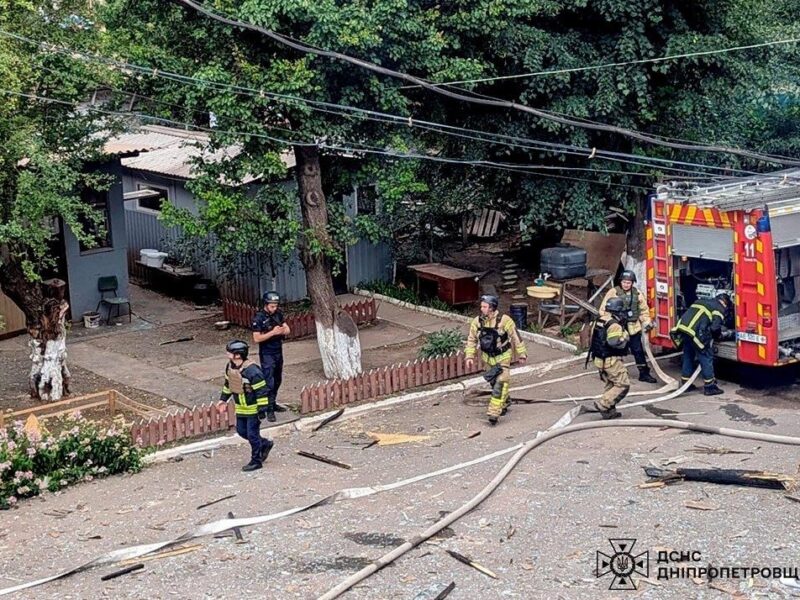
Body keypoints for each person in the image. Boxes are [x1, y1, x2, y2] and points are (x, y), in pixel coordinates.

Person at [465, 294, 527, 425]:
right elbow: (471, 339)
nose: (482, 309)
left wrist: (522, 353)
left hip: (503, 358)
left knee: (500, 384)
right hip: (488, 359)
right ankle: (505, 401)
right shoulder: (477, 322)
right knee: (494, 384)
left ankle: (494, 413)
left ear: (492, 307)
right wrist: (469, 356)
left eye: (485, 306)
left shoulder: (504, 320)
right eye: (481, 306)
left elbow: (516, 336)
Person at [218, 340, 274, 472]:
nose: (227, 353)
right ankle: (265, 444)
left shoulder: (253, 371)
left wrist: (262, 410)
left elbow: (262, 391)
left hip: (252, 409)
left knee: (252, 435)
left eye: (230, 352)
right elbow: (228, 385)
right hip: (240, 407)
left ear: (238, 355)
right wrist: (223, 400)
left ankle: (256, 461)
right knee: (242, 431)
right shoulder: (230, 367)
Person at [599, 270, 657, 384]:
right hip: (618, 328)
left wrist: (646, 322)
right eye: (624, 282)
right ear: (621, 282)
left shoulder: (637, 294)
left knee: (638, 351)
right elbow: (603, 310)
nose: (626, 284)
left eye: (628, 282)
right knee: (613, 350)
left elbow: (644, 311)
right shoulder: (613, 292)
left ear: (632, 283)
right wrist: (611, 323)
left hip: (633, 327)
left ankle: (644, 373)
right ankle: (608, 372)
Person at [670, 293, 733, 396]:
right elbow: (715, 328)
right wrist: (719, 336)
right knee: (706, 357)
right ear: (725, 303)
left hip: (684, 330)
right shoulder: (719, 308)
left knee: (688, 356)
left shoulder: (702, 301)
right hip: (696, 333)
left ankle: (686, 383)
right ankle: (710, 387)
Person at [588, 297, 631, 420]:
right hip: (610, 360)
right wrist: (625, 336)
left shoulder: (601, 320)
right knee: (623, 384)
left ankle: (609, 411)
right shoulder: (614, 325)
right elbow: (614, 342)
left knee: (611, 384)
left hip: (599, 359)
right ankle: (604, 404)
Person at [251, 291, 291, 422]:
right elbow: (257, 338)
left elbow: (287, 329)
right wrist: (272, 333)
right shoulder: (259, 318)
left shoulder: (278, 314)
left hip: (278, 351)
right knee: (269, 381)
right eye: (272, 306)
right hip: (267, 353)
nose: (275, 308)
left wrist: (283, 330)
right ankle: (268, 409)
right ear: (266, 305)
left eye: (276, 305)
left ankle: (273, 403)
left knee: (278, 379)